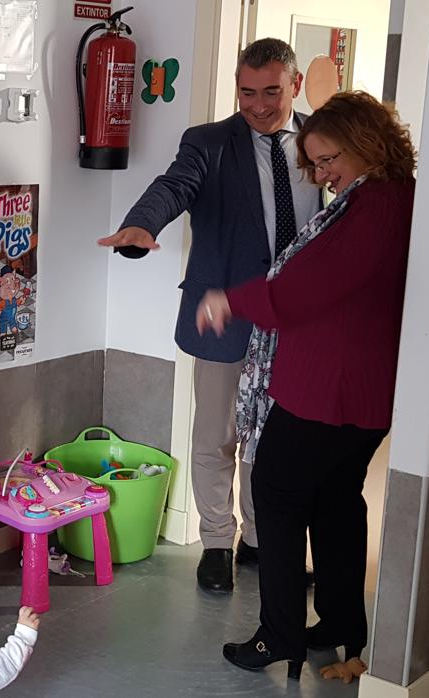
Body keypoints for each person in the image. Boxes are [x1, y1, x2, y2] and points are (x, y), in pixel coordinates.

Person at [195, 91, 417, 681]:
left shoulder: (376, 208)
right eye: (314, 165)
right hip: (357, 390)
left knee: (278, 495)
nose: (321, 175)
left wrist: (231, 299)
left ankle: (279, 636)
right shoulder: (390, 198)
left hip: (330, 388)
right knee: (336, 504)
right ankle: (340, 625)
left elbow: (304, 290)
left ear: (366, 142)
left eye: (328, 159)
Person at [99, 38, 321, 593]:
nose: (260, 105)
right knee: (217, 436)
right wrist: (142, 225)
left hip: (298, 323)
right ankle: (218, 542)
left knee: (274, 441)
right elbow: (175, 186)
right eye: (248, 93)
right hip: (225, 316)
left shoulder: (323, 140)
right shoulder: (209, 142)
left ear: (294, 84)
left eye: (272, 91)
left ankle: (260, 540)